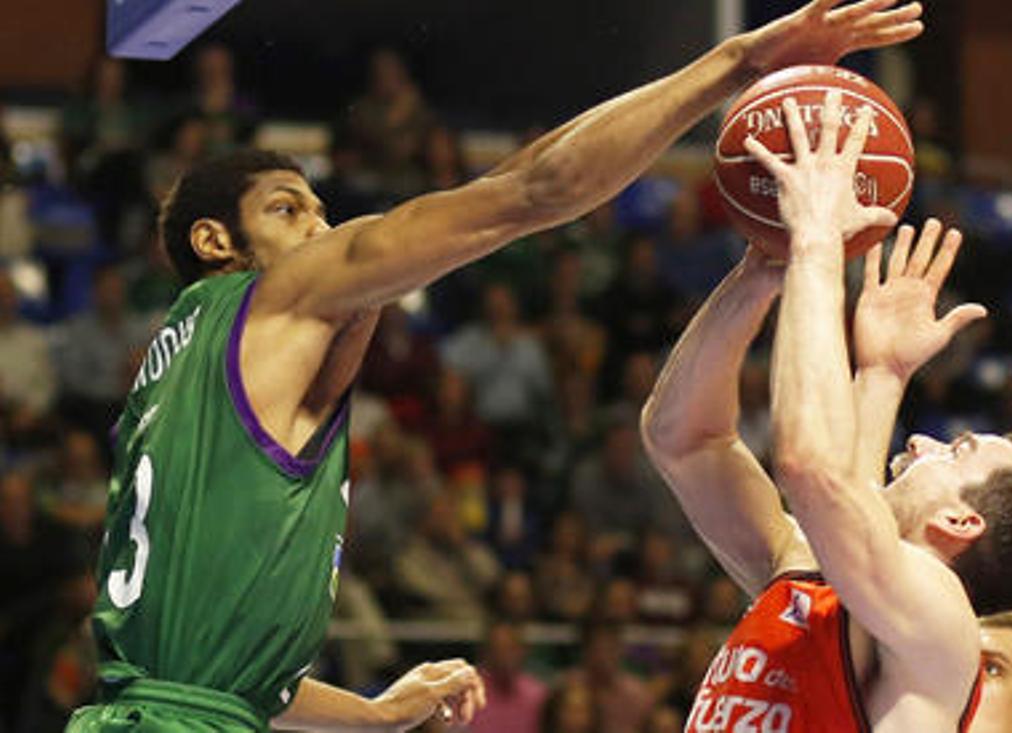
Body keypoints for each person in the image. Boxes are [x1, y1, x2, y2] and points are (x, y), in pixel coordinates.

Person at [67, 2, 927, 731]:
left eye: (322, 211)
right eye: (288, 211)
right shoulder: (280, 296)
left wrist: (372, 715)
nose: (320, 234)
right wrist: (741, 60)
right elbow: (534, 189)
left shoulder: (174, 372)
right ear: (216, 242)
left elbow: (209, 663)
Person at [641, 92, 1012, 731]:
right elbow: (682, 437)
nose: (925, 443)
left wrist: (817, 244)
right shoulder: (810, 572)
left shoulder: (937, 621)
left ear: (960, 521)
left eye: (956, 453)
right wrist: (764, 270)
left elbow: (817, 475)